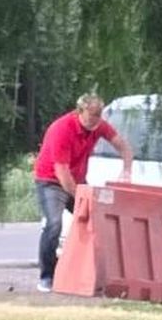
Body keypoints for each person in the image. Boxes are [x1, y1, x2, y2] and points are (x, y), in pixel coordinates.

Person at [33, 93, 133, 292]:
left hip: (77, 180)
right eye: (92, 115)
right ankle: (46, 277)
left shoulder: (99, 126)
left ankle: (95, 273)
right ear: (80, 112)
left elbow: (123, 146)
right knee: (54, 225)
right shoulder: (61, 130)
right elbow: (62, 171)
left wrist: (127, 170)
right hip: (51, 181)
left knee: (97, 221)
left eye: (99, 114)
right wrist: (80, 198)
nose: (96, 119)